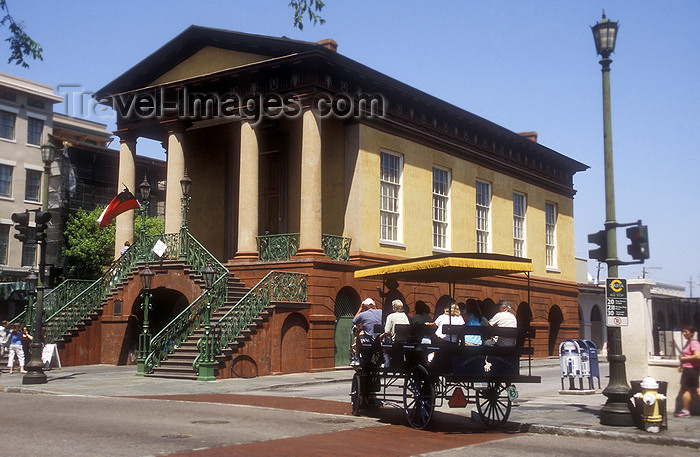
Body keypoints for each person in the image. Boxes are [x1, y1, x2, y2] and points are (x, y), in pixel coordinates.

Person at [676, 325, 700, 418]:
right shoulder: (688, 343)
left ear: (692, 333)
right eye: (683, 332)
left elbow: (698, 356)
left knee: (688, 389)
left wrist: (684, 359)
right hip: (688, 369)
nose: (684, 334)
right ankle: (685, 410)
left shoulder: (694, 343)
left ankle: (685, 411)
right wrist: (681, 365)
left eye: (686, 332)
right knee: (692, 389)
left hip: (691, 369)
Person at [350, 297, 383, 366]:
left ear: (365, 306)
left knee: (358, 335)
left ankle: (357, 357)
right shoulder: (381, 312)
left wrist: (360, 309)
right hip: (379, 340)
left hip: (369, 340)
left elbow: (354, 321)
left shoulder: (363, 314)